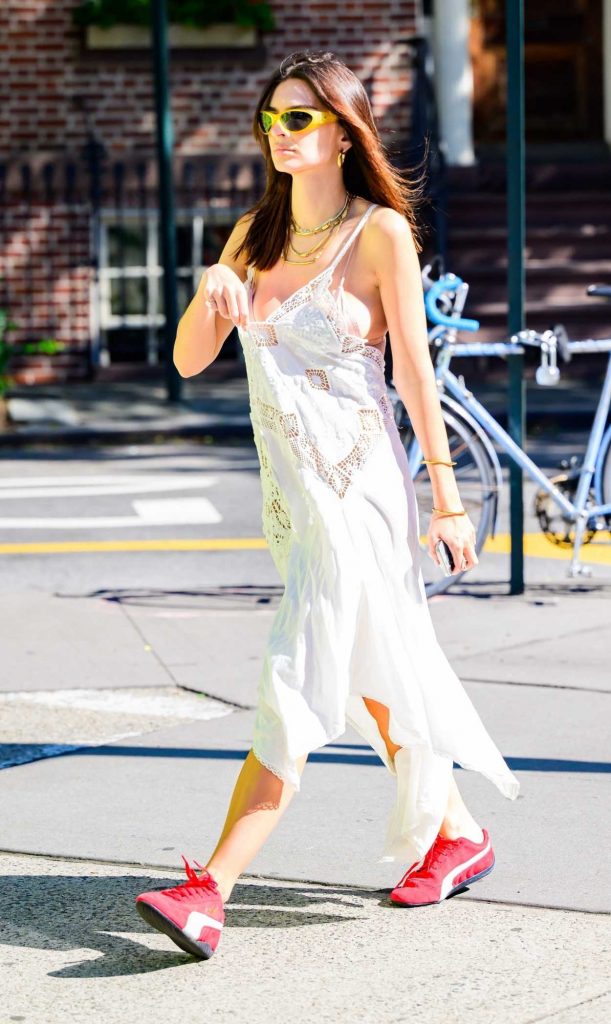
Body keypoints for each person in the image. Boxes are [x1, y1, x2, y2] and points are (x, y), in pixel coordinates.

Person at [135, 50, 520, 960]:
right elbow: (191, 360)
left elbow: (414, 374)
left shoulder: (379, 232)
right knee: (371, 673)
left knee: (298, 672)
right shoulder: (248, 237)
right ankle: (458, 834)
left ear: (344, 133)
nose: (280, 130)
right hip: (294, 503)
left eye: (300, 118)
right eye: (272, 117)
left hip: (363, 496)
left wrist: (448, 498)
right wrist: (211, 295)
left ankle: (210, 888)